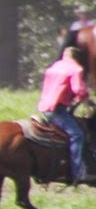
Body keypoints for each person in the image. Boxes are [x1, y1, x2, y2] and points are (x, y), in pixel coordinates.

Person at [38, 46, 90, 184]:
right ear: (77, 58)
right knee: (77, 135)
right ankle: (78, 173)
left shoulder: (54, 67)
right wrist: (87, 100)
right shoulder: (76, 69)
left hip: (45, 108)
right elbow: (79, 89)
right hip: (58, 110)